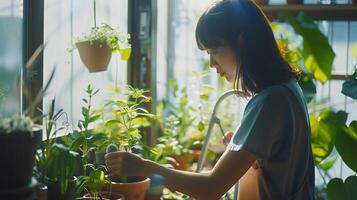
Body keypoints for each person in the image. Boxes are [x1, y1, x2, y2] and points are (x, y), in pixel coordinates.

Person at [105, 0, 315, 199]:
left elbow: (211, 188)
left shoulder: (271, 101)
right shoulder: (286, 88)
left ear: (242, 41)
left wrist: (142, 166)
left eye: (214, 51)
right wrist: (245, 152)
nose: (212, 63)